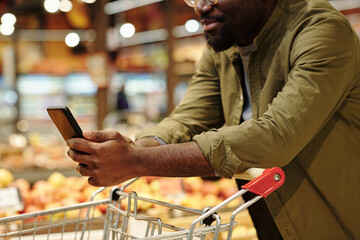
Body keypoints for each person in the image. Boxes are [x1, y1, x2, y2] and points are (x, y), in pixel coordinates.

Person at [66, 0, 360, 239]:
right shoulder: (224, 45)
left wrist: (136, 161)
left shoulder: (321, 31)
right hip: (271, 224)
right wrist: (135, 148)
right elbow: (188, 119)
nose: (201, 7)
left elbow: (275, 137)